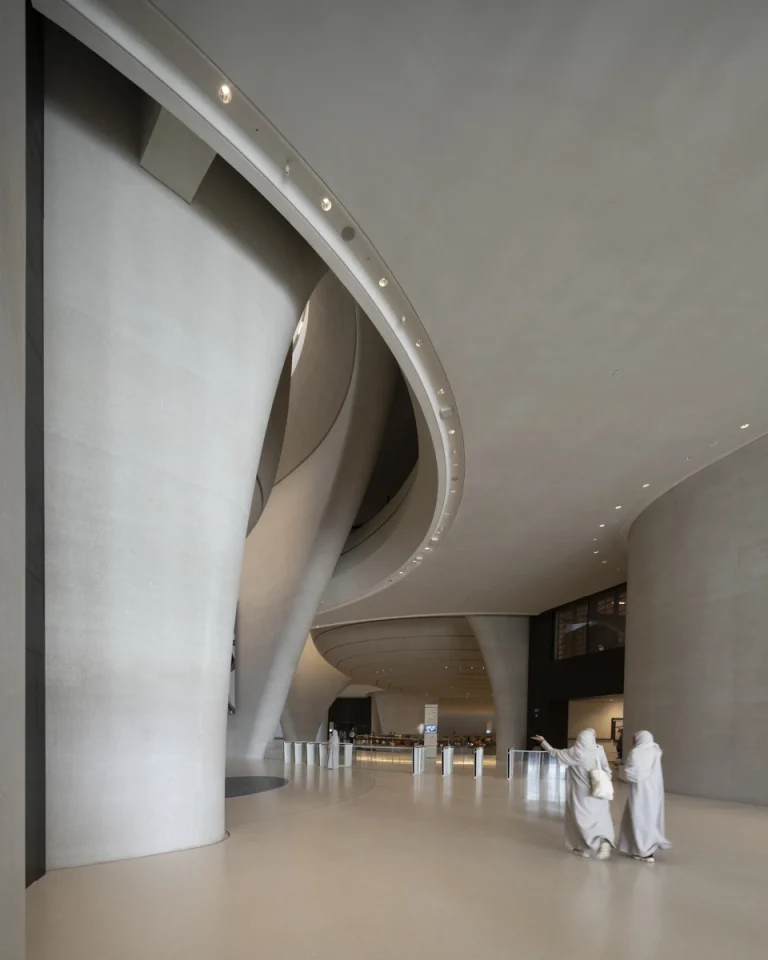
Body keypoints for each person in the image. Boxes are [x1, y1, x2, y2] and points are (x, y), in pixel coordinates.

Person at [532, 729, 615, 860]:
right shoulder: (599, 749)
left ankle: (589, 846)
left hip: (581, 794)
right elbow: (606, 769)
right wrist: (605, 779)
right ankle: (604, 841)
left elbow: (554, 752)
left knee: (583, 820)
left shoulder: (576, 752)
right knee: (601, 818)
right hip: (599, 792)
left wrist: (543, 742)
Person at [618, 731, 671, 863]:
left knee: (638, 818)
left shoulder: (636, 752)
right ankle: (641, 849)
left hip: (640, 791)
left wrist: (625, 770)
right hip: (654, 791)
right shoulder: (655, 751)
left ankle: (643, 852)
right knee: (649, 818)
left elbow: (631, 774)